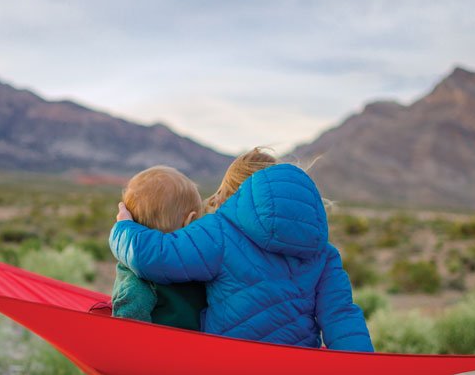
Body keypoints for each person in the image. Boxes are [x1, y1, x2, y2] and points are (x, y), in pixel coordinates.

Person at [111, 148, 373, 351]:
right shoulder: (323, 252)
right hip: (295, 365)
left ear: (237, 193)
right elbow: (339, 313)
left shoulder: (220, 232)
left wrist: (124, 228)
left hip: (230, 359)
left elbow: (157, 257)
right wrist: (359, 368)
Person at [110, 166, 207, 331]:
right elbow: (126, 332)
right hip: (166, 354)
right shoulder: (140, 280)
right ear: (190, 221)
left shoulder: (137, 273)